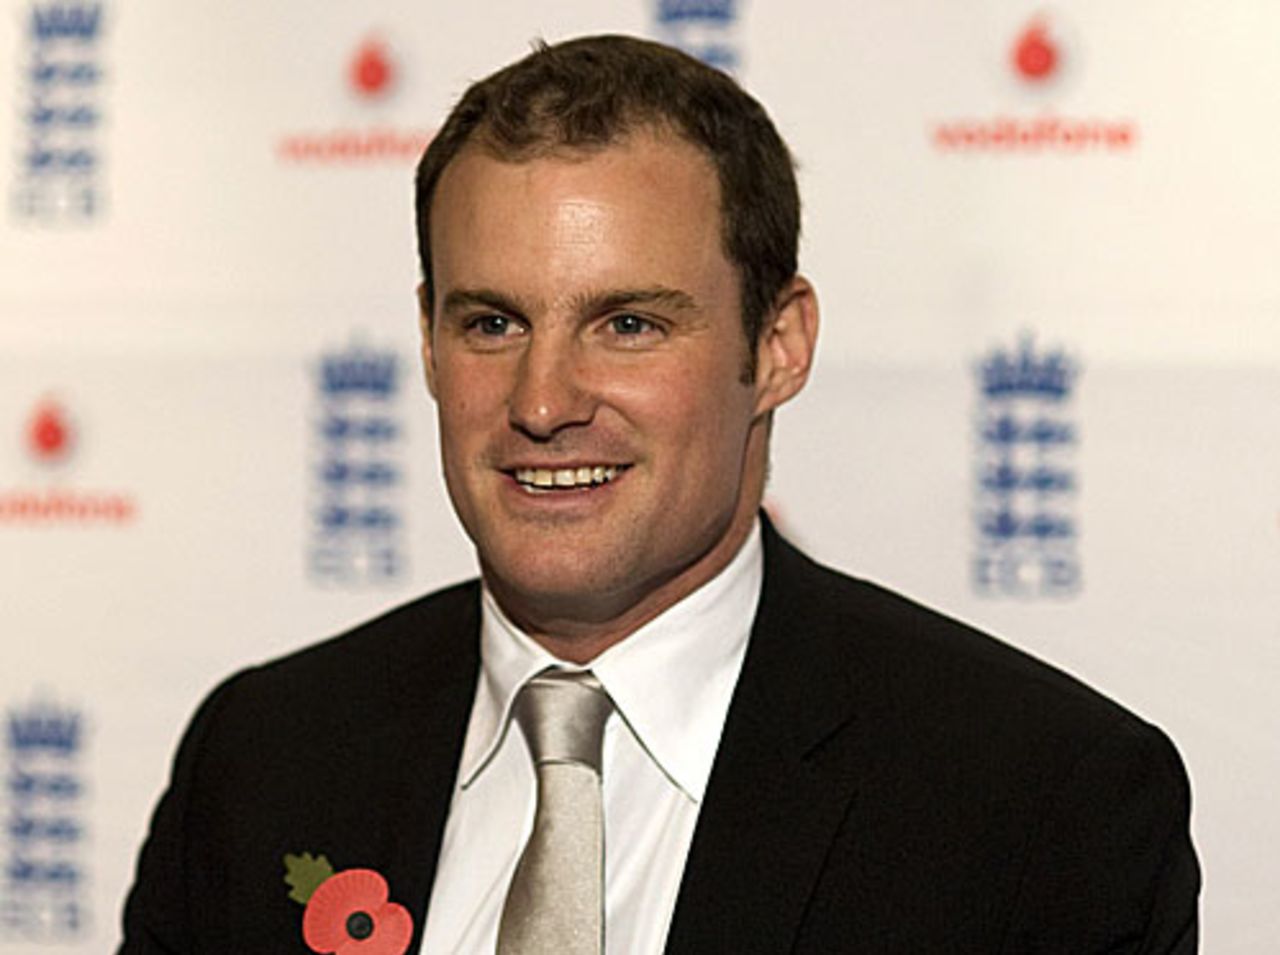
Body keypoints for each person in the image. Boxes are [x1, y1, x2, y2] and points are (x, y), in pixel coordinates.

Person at [120, 34, 1199, 954]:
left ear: (776, 347)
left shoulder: (1044, 803)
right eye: (492, 322)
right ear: (428, 342)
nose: (541, 402)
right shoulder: (263, 757)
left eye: (627, 324)